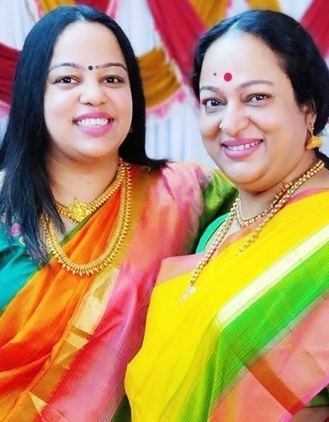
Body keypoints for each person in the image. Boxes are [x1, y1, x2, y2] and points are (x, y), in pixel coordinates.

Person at [0, 6, 234, 420]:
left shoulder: (187, 195)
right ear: (34, 95)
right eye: (68, 79)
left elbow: (288, 226)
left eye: (112, 78)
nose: (95, 94)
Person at [124, 10, 329, 420]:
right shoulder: (215, 229)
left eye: (256, 97)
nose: (230, 123)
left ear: (308, 110)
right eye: (213, 102)